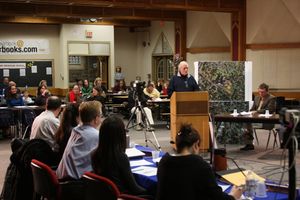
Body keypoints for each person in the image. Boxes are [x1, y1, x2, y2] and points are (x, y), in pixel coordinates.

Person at [156, 124, 243, 200]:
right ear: (195, 145)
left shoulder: (164, 161)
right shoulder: (200, 166)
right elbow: (216, 197)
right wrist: (233, 196)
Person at [91, 116, 147, 195]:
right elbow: (134, 188)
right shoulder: (120, 157)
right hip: (122, 196)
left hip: (106, 195)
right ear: (120, 135)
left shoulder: (94, 154)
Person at [56, 101, 102, 179]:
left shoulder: (75, 130)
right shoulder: (96, 135)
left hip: (62, 178)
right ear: (96, 119)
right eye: (101, 115)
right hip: (75, 185)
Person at [240, 83, 276, 151]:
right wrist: (249, 112)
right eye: (259, 92)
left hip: (266, 121)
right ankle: (249, 144)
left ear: (267, 91)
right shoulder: (257, 98)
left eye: (262, 92)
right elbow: (252, 109)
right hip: (255, 119)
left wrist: (257, 111)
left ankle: (249, 143)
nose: (260, 93)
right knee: (246, 123)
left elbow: (270, 110)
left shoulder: (272, 98)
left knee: (248, 124)